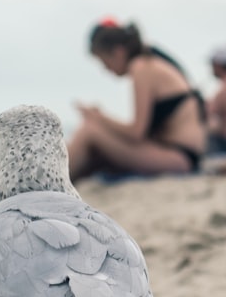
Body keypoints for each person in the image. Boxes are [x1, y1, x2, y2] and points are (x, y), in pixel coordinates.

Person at [68, 19, 207, 181]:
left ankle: (50, 182)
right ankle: (59, 181)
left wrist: (99, 118)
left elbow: (136, 133)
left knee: (90, 130)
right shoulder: (152, 61)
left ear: (118, 52)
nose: (106, 69)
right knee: (93, 155)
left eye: (105, 61)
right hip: (177, 154)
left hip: (179, 157)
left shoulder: (141, 67)